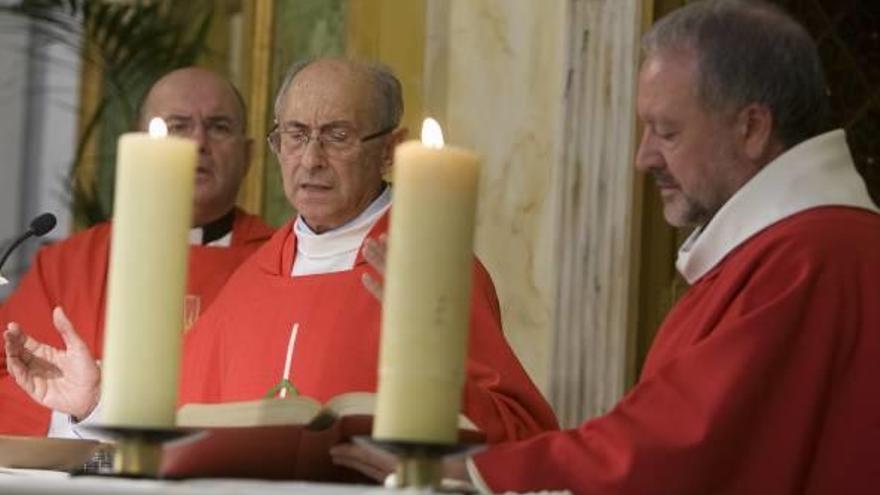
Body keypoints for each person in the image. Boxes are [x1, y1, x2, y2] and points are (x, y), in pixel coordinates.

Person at [331, 1, 880, 492]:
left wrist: (479, 472)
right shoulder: (791, 248)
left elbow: (675, 450)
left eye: (666, 132)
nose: (644, 158)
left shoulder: (808, 258)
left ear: (752, 128)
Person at [6, 58, 559, 448]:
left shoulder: (432, 270)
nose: (310, 159)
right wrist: (92, 401)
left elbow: (519, 437)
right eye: (294, 135)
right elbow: (170, 426)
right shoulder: (255, 278)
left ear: (391, 150)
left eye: (337, 135)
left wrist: (435, 376)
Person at [1, 67, 273, 437]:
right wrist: (85, 415)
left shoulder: (281, 263)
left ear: (248, 155)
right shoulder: (69, 266)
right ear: (137, 145)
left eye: (219, 126)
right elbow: (10, 373)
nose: (199, 142)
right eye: (177, 126)